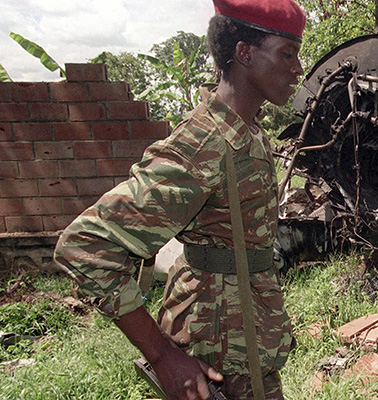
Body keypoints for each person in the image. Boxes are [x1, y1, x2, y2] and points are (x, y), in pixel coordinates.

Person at [53, 0, 305, 398]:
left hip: (248, 349)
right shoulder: (203, 145)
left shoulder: (246, 134)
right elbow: (85, 244)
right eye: (287, 53)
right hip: (217, 358)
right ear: (244, 53)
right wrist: (163, 356)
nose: (298, 67)